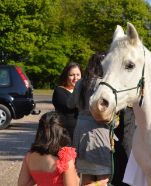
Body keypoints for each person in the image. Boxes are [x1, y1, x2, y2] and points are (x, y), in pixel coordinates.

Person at [67, 53, 117, 186]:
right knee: (103, 176)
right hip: (98, 131)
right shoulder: (103, 85)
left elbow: (70, 104)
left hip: (80, 130)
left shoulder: (81, 83)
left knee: (85, 175)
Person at [17, 111, 79, 186]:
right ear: (61, 132)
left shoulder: (29, 156)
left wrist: (38, 177)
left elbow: (22, 184)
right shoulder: (65, 156)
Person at [52, 62, 82, 141]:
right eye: (71, 75)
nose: (75, 78)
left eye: (78, 75)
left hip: (81, 133)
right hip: (65, 135)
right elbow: (70, 107)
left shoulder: (84, 91)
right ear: (66, 76)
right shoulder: (59, 91)